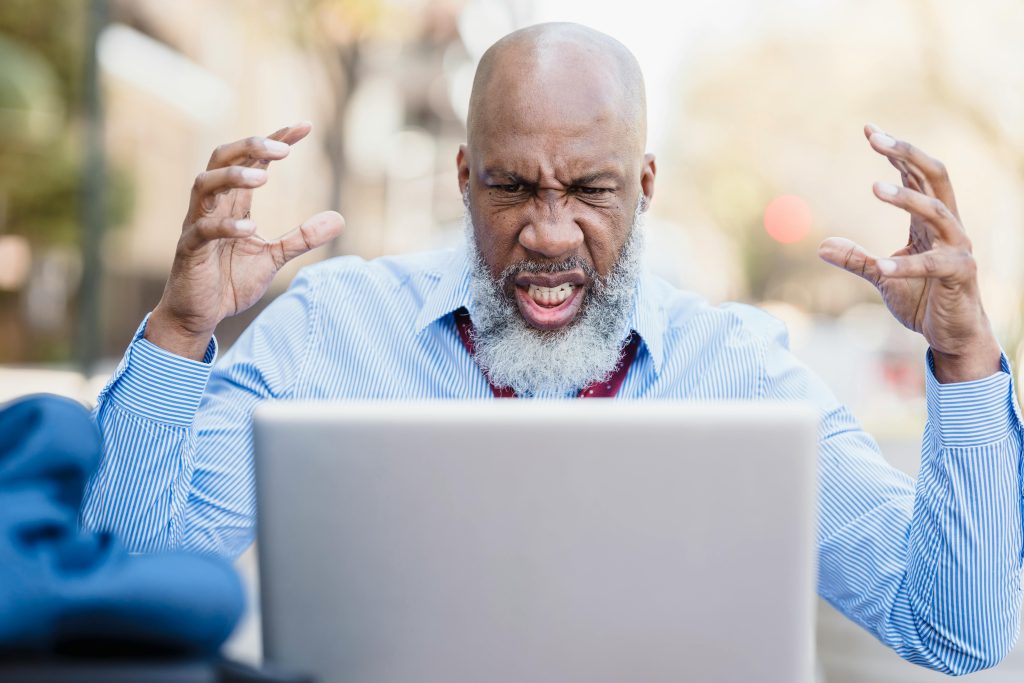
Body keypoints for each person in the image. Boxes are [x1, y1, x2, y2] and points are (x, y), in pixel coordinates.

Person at [81, 22, 1023, 675]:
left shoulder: (741, 367)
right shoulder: (330, 327)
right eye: (513, 188)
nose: (550, 231)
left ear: (646, 183)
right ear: (463, 177)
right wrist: (178, 331)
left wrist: (967, 361)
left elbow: (954, 628)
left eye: (590, 189)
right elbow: (128, 592)